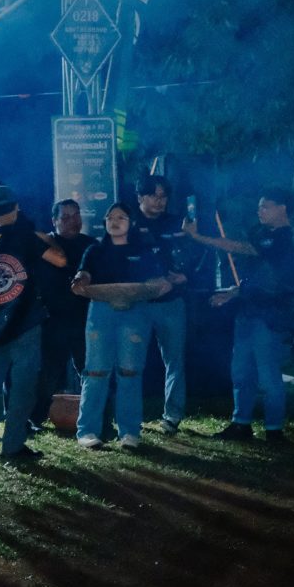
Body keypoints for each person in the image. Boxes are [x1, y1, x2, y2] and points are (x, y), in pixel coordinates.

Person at [183, 188, 294, 443]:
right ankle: (241, 423)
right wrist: (234, 292)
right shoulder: (264, 235)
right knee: (241, 371)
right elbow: (257, 277)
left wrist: (199, 237)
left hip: (269, 317)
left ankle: (274, 429)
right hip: (248, 312)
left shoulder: (284, 239)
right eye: (259, 206)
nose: (260, 211)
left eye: (266, 206)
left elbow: (242, 248)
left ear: (282, 208)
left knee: (268, 375)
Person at [0, 185, 66, 461]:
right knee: (23, 386)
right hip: (25, 320)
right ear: (17, 207)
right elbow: (60, 260)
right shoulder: (26, 237)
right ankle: (13, 445)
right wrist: (48, 239)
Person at [72, 203, 173, 449]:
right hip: (101, 312)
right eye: (110, 217)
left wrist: (161, 284)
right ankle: (87, 431)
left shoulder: (143, 249)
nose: (114, 222)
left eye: (121, 217)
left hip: (134, 313)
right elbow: (84, 274)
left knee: (130, 371)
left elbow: (155, 279)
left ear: (132, 223)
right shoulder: (95, 250)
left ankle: (129, 432)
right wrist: (80, 280)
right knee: (96, 371)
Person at [131, 174, 190, 433]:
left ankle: (172, 416)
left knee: (175, 361)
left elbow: (194, 255)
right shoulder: (128, 222)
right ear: (140, 197)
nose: (159, 201)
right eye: (154, 195)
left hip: (171, 303)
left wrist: (185, 276)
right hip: (138, 304)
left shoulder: (178, 222)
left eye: (163, 196)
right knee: (132, 362)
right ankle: (131, 416)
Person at [33, 199, 97, 426]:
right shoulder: (45, 246)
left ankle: (97, 417)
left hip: (85, 319)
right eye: (66, 217)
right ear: (54, 221)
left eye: (76, 215)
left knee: (90, 371)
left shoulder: (91, 245)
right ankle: (36, 418)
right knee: (48, 372)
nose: (73, 221)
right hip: (53, 320)